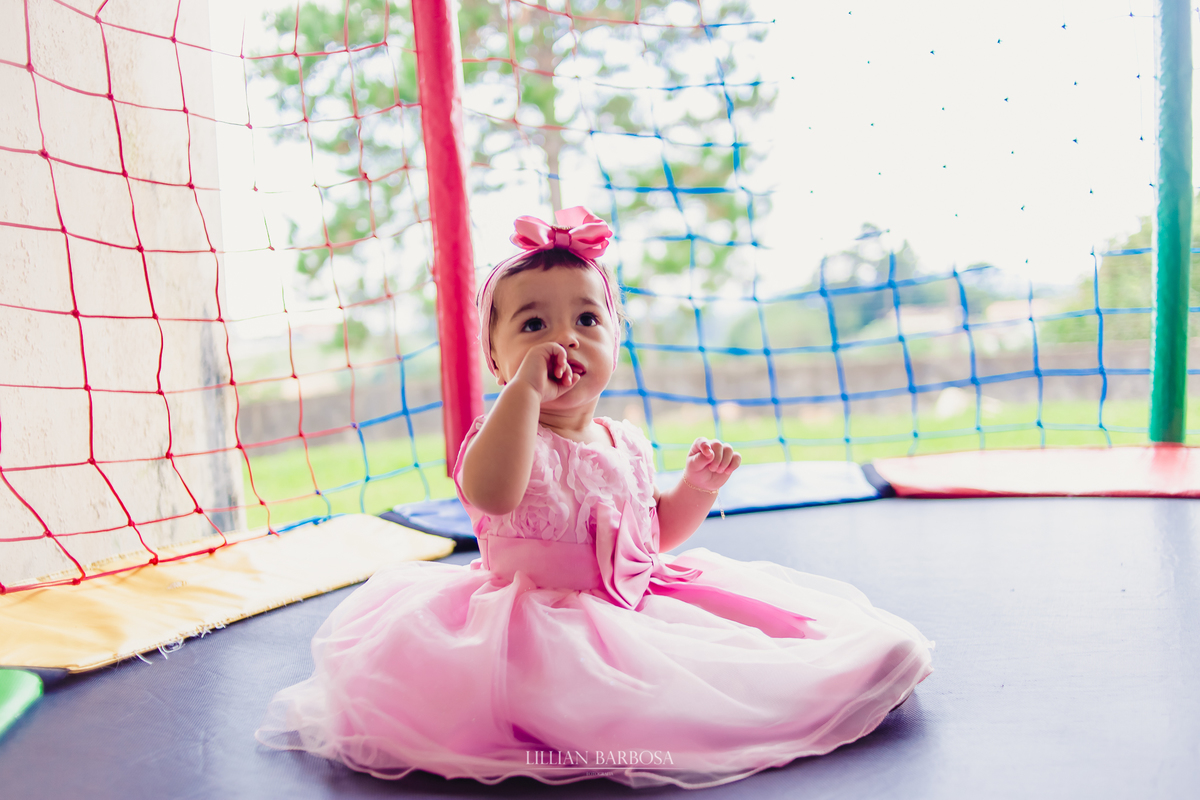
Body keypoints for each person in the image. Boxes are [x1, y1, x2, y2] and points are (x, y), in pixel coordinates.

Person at [256, 207, 934, 789]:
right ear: (495, 359)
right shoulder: (504, 435)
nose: (563, 338)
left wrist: (696, 490)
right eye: (531, 326)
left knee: (773, 659)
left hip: (636, 603)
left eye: (586, 317)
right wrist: (523, 395)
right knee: (597, 702)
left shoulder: (626, 441)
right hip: (535, 624)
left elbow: (654, 537)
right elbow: (492, 493)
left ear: (616, 339)